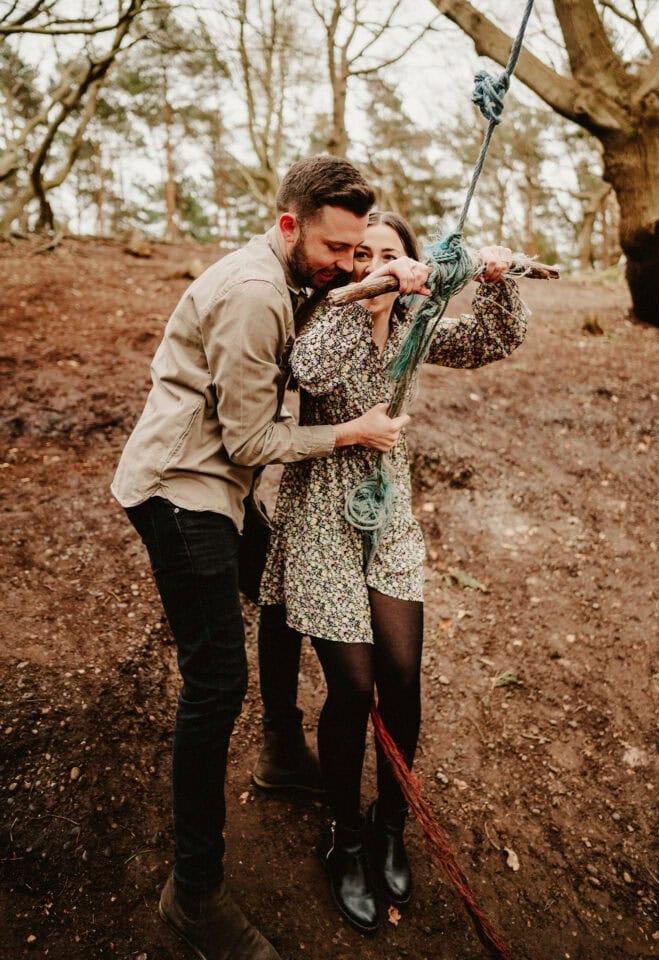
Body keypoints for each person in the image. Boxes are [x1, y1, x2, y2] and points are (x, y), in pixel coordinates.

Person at [110, 162, 432, 960]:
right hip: (183, 490)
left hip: (229, 478)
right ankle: (195, 896)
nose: (346, 263)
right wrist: (349, 433)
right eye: (335, 247)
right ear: (288, 226)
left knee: (279, 588)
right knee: (214, 683)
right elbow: (253, 440)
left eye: (358, 249)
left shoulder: (298, 276)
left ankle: (284, 754)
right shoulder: (256, 292)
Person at [258, 211, 529, 933]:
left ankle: (388, 826)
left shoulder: (416, 325)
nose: (373, 265)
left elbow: (491, 340)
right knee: (352, 685)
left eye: (391, 255)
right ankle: (342, 836)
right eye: (363, 255)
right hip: (320, 513)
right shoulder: (324, 317)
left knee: (402, 677)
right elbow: (309, 370)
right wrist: (369, 293)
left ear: (414, 265)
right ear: (348, 264)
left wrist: (494, 281)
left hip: (388, 517)